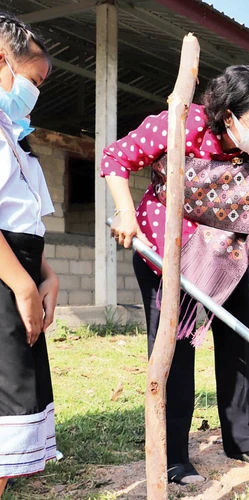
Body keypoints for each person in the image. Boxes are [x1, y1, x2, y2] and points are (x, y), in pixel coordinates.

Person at [103, 65, 249, 483]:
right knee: (174, 354)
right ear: (228, 116)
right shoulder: (182, 125)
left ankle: (246, 441)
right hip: (166, 257)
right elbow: (116, 158)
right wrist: (123, 212)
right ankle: (174, 457)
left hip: (226, 262)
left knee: (242, 343)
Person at [0, 14, 58, 496]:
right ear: (3, 61)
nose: (36, 93)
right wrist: (21, 283)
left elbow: (22, 220)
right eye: (33, 80)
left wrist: (46, 275)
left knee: (16, 395)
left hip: (18, 266)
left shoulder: (12, 134)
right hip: (5, 279)